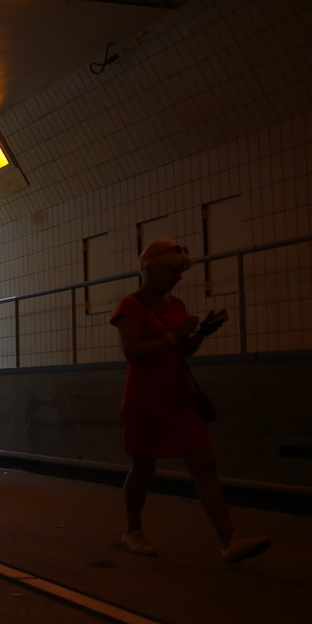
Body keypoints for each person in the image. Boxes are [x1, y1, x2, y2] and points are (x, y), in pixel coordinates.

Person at [110, 237, 269, 564]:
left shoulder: (177, 305)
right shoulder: (131, 306)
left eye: (181, 271)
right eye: (174, 271)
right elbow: (132, 351)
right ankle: (133, 530)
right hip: (146, 399)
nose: (179, 278)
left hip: (181, 397)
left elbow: (182, 351)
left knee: (205, 465)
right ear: (152, 270)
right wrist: (173, 337)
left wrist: (199, 334)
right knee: (143, 467)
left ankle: (230, 541)